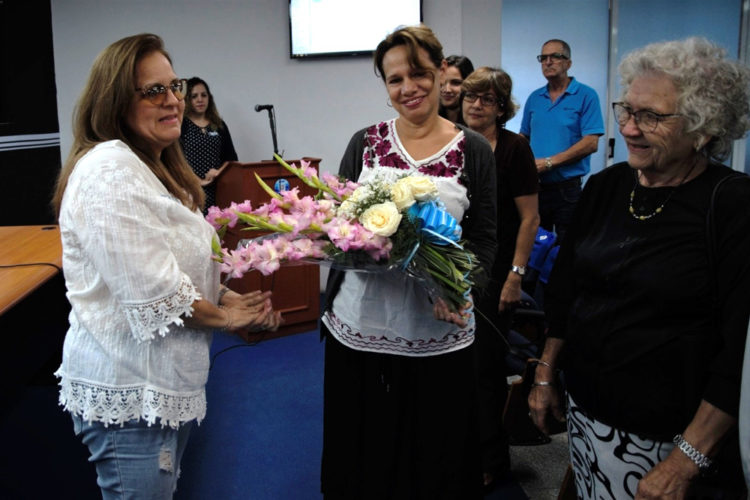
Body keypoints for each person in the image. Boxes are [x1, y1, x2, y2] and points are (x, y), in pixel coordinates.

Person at [51, 33, 281, 498]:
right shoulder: (107, 171)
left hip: (160, 383)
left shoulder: (154, 168)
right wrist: (227, 318)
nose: (173, 100)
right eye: (153, 90)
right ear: (114, 101)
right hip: (130, 388)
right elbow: (154, 291)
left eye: (174, 86)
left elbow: (173, 263)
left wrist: (228, 297)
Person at [528, 37, 750, 499]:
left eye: (651, 116)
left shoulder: (732, 204)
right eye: (627, 110)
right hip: (586, 416)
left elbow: (738, 355)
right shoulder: (607, 186)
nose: (628, 128)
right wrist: (546, 373)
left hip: (672, 442)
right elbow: (567, 290)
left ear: (703, 126)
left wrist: (684, 462)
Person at [320, 25, 497, 499]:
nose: (407, 88)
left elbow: (484, 238)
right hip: (361, 323)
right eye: (394, 80)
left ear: (441, 73)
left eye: (417, 73)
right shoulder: (366, 142)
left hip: (436, 329)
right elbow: (337, 223)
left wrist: (456, 287)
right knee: (365, 448)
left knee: (432, 453)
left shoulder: (472, 150)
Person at [461, 66, 539, 488]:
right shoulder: (452, 141)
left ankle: (491, 459)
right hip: (451, 270)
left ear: (501, 107)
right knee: (453, 369)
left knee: (484, 368)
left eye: (487, 99)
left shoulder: (514, 148)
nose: (476, 104)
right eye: (471, 96)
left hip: (496, 274)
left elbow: (530, 219)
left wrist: (515, 275)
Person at [519, 39, 604, 242]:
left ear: (568, 63)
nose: (548, 62)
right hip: (536, 188)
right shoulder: (534, 98)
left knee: (569, 246)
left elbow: (591, 142)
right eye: (543, 58)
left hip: (568, 190)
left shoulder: (586, 95)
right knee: (536, 245)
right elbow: (523, 137)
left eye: (555, 57)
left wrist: (549, 162)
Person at [180, 76, 238, 213]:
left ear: (209, 98)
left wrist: (219, 173)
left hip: (218, 189)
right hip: (190, 189)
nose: (200, 99)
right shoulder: (182, 125)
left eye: (204, 95)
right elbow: (176, 159)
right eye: (194, 96)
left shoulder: (219, 125)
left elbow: (231, 159)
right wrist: (197, 181)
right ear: (188, 99)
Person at [438, 54, 474, 124]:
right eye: (442, 82)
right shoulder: (427, 119)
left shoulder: (476, 123)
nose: (447, 89)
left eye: (455, 83)